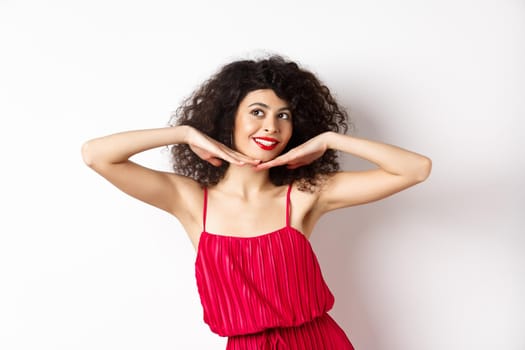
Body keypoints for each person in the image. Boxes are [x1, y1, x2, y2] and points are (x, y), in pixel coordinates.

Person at [82, 55, 431, 349]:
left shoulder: (306, 194)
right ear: (228, 117)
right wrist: (185, 133)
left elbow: (415, 170)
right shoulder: (191, 200)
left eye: (284, 115)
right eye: (258, 112)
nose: (271, 127)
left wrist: (328, 140)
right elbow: (96, 155)